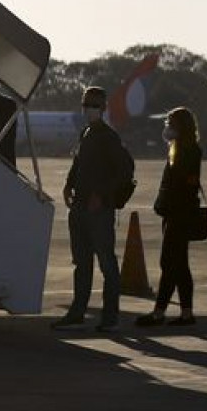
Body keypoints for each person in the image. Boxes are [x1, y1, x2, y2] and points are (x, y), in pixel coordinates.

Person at [53, 86, 132, 332]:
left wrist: (103, 195)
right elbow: (78, 163)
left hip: (98, 209)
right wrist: (68, 185)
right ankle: (77, 312)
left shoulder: (109, 137)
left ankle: (110, 316)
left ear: (104, 108)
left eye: (94, 104)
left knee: (107, 262)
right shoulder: (86, 133)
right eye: (86, 104)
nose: (89, 109)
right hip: (79, 206)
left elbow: (124, 171)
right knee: (82, 262)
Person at [137, 106, 203, 326]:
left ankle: (159, 312)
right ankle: (186, 312)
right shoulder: (176, 148)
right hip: (172, 212)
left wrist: (170, 202)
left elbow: (186, 184)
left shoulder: (190, 150)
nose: (167, 128)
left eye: (171, 123)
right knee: (180, 264)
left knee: (169, 262)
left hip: (180, 213)